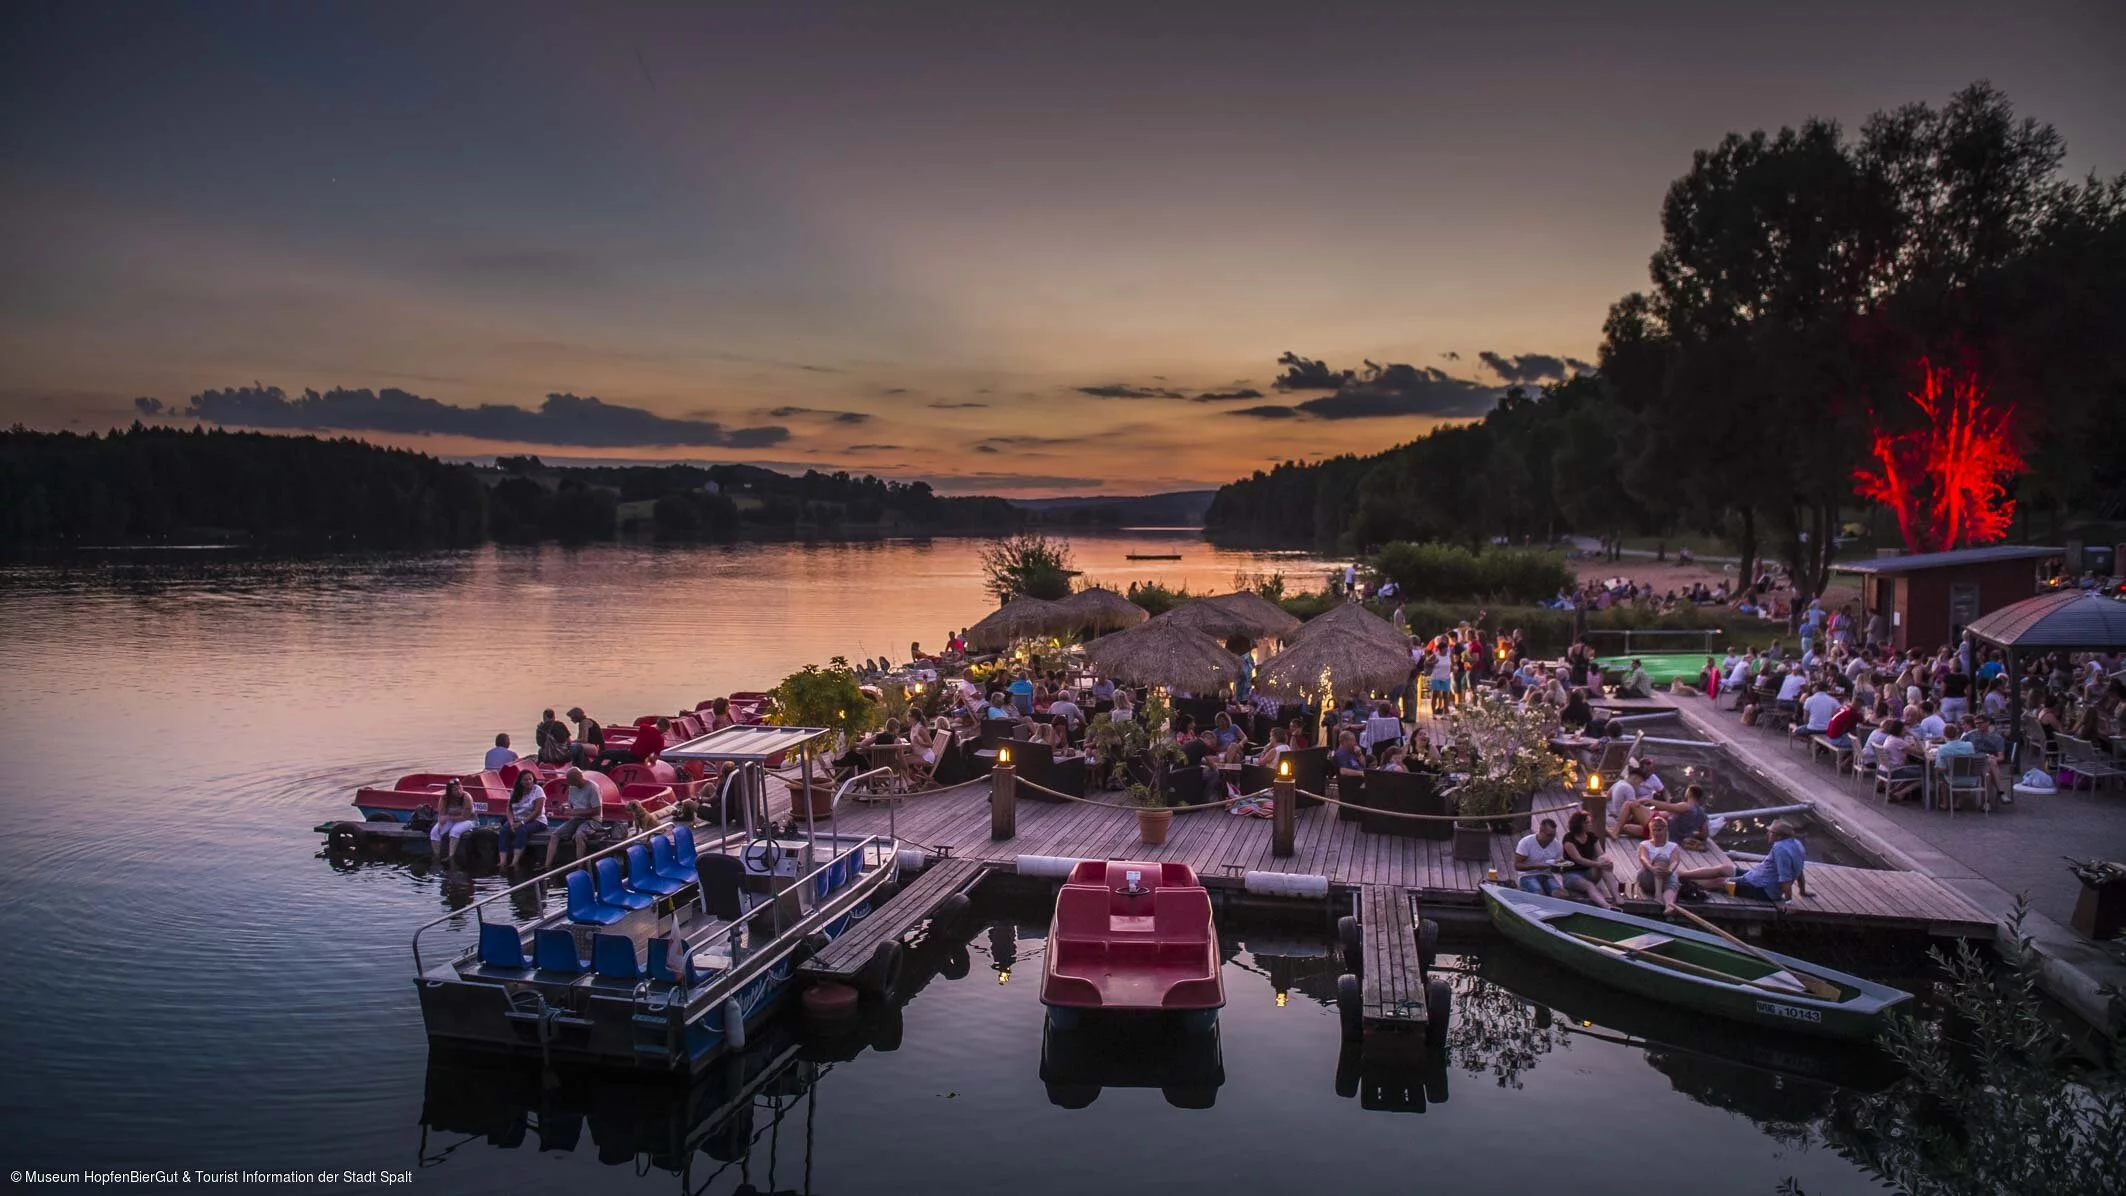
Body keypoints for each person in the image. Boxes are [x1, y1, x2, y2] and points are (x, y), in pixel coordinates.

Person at [1685, 820, 1810, 906]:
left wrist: (1788, 903)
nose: (1768, 834)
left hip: (1763, 890)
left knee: (1721, 882)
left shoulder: (1780, 850)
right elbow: (1799, 869)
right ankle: (1683, 875)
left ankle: (1687, 885)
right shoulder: (1797, 844)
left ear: (1778, 836)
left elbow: (1785, 879)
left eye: (1770, 832)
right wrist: (1802, 891)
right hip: (1756, 877)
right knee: (1725, 869)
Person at [1558, 811, 1618, 907]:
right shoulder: (1569, 839)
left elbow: (1601, 854)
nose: (1590, 824)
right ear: (1579, 823)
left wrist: (1607, 861)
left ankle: (1618, 898)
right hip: (1571, 874)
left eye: (1590, 822)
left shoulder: (1591, 836)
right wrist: (1598, 864)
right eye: (1587, 822)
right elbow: (1578, 859)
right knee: (1589, 885)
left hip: (1589, 872)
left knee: (1604, 862)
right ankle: (1607, 906)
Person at [548, 767, 602, 868]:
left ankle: (579, 866)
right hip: (576, 818)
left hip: (592, 820)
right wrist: (564, 807)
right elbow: (571, 804)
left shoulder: (592, 788)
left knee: (579, 835)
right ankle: (547, 865)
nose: (570, 784)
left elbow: (597, 811)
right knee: (555, 835)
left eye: (572, 781)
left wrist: (577, 812)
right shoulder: (572, 788)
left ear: (579, 778)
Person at [1636, 815, 1684, 914]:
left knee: (1674, 876)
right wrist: (1653, 869)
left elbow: (1675, 861)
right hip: (1648, 877)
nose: (1656, 833)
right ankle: (1658, 895)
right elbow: (1643, 858)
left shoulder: (1673, 846)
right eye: (1654, 830)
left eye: (1659, 830)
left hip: (1665, 877)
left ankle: (1669, 904)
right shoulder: (1644, 844)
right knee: (1661, 858)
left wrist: (1669, 871)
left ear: (1665, 830)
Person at [498, 769, 545, 870]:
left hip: (537, 820)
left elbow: (537, 811)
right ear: (520, 781)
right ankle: (503, 861)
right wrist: (511, 823)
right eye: (525, 780)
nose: (528, 782)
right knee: (504, 830)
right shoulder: (515, 791)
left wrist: (522, 823)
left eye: (530, 779)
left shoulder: (538, 790)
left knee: (522, 830)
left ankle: (515, 861)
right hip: (517, 819)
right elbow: (509, 809)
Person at [428, 779, 478, 865]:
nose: (459, 791)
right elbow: (441, 814)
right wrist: (440, 824)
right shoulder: (444, 798)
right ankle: (436, 855)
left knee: (454, 831)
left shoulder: (466, 797)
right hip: (451, 819)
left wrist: (448, 817)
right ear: (450, 791)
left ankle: (451, 856)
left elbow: (465, 817)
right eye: (455, 789)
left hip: (469, 820)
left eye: (460, 788)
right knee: (434, 832)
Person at [1514, 818, 1567, 896]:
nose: (1552, 838)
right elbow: (1517, 865)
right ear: (1541, 831)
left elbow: (1558, 868)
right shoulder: (1526, 842)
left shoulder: (1557, 845)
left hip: (1547, 875)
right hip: (1527, 875)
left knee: (1560, 894)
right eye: (1549, 835)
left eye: (1553, 835)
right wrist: (1537, 866)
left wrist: (1559, 867)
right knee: (1538, 893)